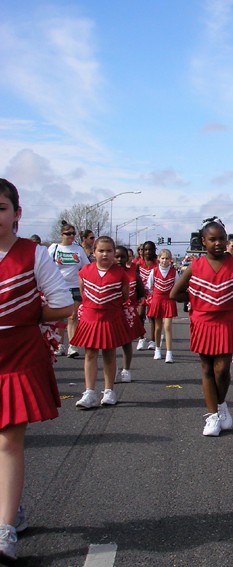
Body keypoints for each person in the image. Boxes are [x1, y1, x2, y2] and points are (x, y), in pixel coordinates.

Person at [0, 179, 73, 563]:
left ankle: (4, 531)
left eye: (1, 208)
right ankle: (12, 509)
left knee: (8, 442)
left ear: (16, 213)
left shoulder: (33, 254)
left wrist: (25, 315)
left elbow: (62, 306)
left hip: (17, 357)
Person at [170, 218, 233, 436]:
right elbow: (175, 294)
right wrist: (198, 296)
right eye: (212, 239)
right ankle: (212, 417)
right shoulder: (195, 266)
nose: (218, 243)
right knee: (207, 368)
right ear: (203, 241)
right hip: (202, 321)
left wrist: (231, 293)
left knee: (223, 369)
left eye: (221, 239)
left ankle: (221, 405)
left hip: (227, 320)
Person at [72, 236, 130, 409]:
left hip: (110, 317)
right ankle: (89, 392)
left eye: (109, 251)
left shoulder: (120, 273)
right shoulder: (85, 271)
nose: (105, 254)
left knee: (109, 354)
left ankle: (109, 390)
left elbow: (124, 295)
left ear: (114, 253)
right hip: (90, 317)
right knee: (90, 353)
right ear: (93, 252)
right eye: (101, 250)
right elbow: (83, 293)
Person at [48, 221, 91, 358]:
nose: (71, 236)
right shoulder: (54, 248)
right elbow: (46, 266)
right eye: (68, 234)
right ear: (62, 235)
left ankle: (72, 346)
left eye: (73, 234)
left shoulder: (78, 250)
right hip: (58, 287)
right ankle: (59, 344)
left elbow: (86, 267)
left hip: (74, 287)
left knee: (72, 316)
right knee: (59, 317)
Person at [115, 246, 146, 382]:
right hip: (112, 312)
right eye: (117, 256)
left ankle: (126, 369)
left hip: (128, 312)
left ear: (128, 258)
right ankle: (113, 369)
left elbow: (142, 292)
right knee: (111, 343)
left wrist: (133, 306)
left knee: (127, 341)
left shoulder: (133, 273)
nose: (119, 259)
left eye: (123, 257)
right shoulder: (108, 273)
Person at [147, 248, 178, 363]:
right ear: (159, 259)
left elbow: (176, 286)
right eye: (163, 258)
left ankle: (169, 352)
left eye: (167, 258)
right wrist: (154, 296)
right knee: (158, 327)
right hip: (157, 300)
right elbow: (150, 286)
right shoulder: (154, 271)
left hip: (168, 300)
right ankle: (158, 349)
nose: (164, 261)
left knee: (168, 327)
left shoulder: (174, 272)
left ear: (170, 260)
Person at [134, 241, 157, 351]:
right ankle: (141, 338)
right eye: (145, 250)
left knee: (152, 317)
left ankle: (153, 340)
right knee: (140, 315)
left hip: (153, 293)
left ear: (154, 251)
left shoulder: (156, 263)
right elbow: (135, 276)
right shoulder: (139, 263)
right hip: (142, 293)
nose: (147, 252)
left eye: (150, 250)